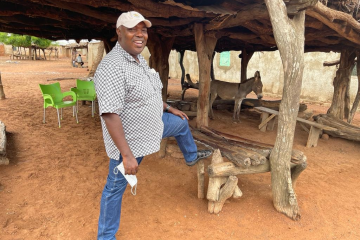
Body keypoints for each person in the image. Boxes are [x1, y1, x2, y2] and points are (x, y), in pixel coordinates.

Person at [94, 11, 212, 239]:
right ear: (119, 32)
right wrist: (126, 155)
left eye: (143, 29)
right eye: (132, 29)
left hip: (154, 125)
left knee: (180, 123)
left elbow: (148, 95)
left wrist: (169, 109)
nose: (140, 34)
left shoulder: (138, 61)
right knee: (115, 188)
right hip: (131, 141)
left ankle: (190, 156)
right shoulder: (112, 66)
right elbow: (110, 114)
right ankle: (106, 236)